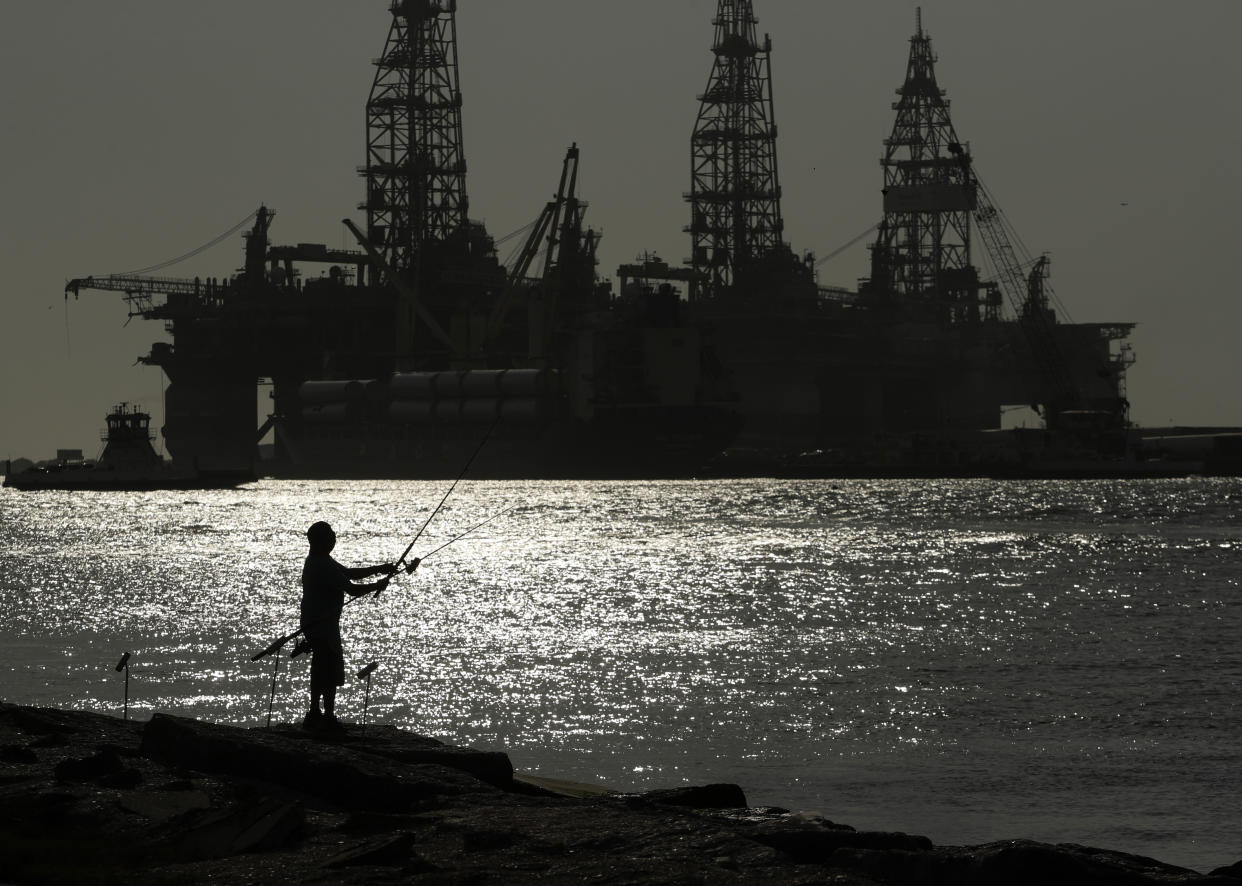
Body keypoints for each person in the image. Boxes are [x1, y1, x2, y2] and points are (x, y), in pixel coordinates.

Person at [300, 521, 397, 732]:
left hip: (315, 622)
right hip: (322, 624)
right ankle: (326, 717)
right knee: (327, 668)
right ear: (321, 541)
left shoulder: (320, 560)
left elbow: (349, 573)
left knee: (320, 666)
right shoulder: (321, 563)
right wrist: (376, 586)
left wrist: (380, 569)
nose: (334, 539)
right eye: (330, 536)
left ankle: (317, 713)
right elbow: (352, 589)